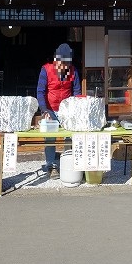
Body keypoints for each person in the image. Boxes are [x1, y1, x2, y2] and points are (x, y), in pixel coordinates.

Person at [36, 43, 81, 179]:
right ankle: (51, 165)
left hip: (67, 110)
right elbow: (40, 91)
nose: (65, 66)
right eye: (62, 63)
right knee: (50, 138)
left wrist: (75, 108)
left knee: (69, 136)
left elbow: (77, 92)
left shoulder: (73, 71)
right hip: (50, 109)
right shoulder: (46, 69)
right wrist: (44, 110)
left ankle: (69, 162)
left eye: (67, 63)